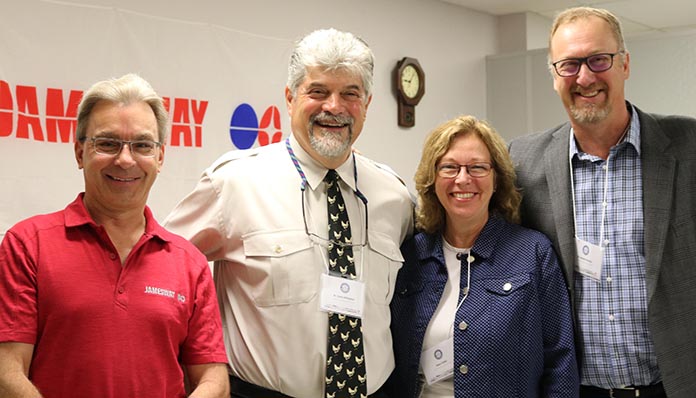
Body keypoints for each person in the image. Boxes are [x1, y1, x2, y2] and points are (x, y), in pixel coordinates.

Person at [163, 28, 414, 398]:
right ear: (290, 98)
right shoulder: (234, 183)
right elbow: (161, 271)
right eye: (318, 91)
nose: (334, 106)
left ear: (367, 102)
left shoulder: (394, 196)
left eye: (350, 93)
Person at [0, 74, 229, 398]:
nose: (125, 159)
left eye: (142, 145)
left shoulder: (189, 263)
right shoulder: (27, 245)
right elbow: (7, 372)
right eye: (107, 143)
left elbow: (213, 380)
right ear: (80, 152)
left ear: (160, 157)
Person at [508, 6, 696, 398]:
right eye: (569, 64)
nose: (585, 76)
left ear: (625, 64)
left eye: (599, 60)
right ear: (554, 76)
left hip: (675, 384)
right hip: (576, 390)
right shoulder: (522, 162)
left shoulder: (689, 146)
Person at [387, 115, 578, 398]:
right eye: (449, 167)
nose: (463, 179)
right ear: (432, 178)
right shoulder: (410, 256)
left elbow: (560, 363)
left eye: (477, 167)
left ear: (496, 178)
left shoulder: (533, 253)